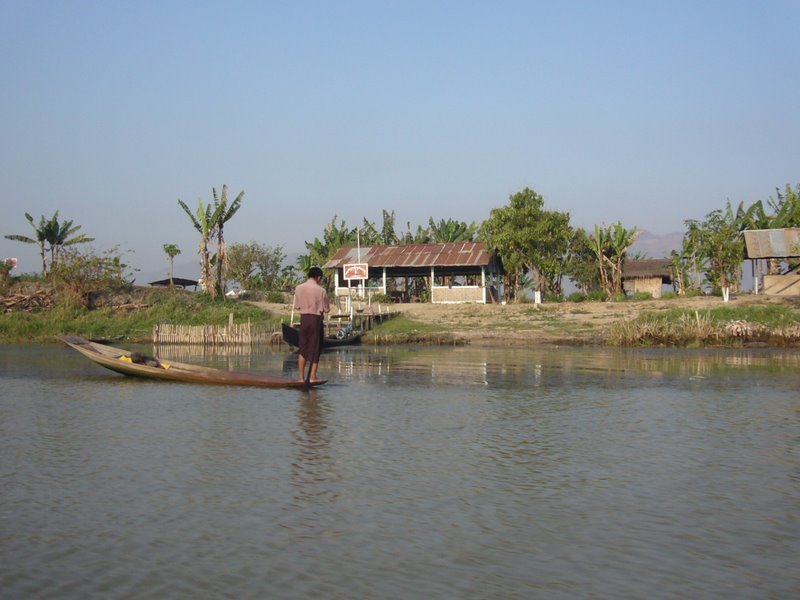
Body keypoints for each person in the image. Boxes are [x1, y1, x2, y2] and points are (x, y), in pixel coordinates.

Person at [294, 266, 330, 383]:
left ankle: (301, 377)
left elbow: (297, 306)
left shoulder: (298, 288)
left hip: (304, 319)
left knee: (303, 348)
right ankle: (313, 376)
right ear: (318, 277)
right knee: (315, 348)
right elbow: (326, 309)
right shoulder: (321, 291)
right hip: (315, 320)